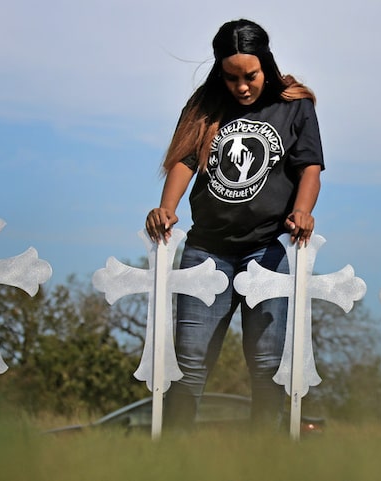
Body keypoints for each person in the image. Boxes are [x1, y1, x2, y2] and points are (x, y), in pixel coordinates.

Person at [145, 18, 324, 430]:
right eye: (231, 78)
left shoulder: (294, 105)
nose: (242, 87)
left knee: (266, 366)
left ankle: (265, 460)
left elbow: (310, 167)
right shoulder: (205, 106)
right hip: (206, 251)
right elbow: (184, 161)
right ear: (219, 72)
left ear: (266, 65)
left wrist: (302, 210)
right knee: (187, 365)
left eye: (251, 76)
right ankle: (173, 458)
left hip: (266, 251)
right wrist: (166, 208)